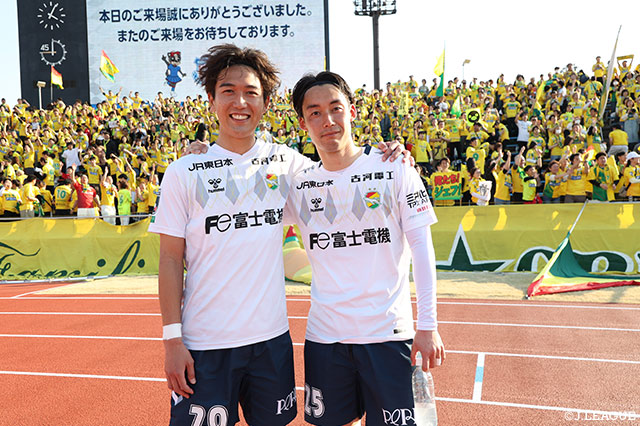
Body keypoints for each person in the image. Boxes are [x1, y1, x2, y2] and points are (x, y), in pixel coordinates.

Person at [149, 44, 409, 426]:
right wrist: (172, 339)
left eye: (251, 92)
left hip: (270, 343)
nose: (240, 102)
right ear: (211, 99)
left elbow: (338, 168)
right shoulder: (184, 172)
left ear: (265, 102)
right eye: (228, 91)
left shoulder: (287, 164)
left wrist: (389, 155)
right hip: (204, 344)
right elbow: (170, 259)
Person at [289, 71, 445, 426]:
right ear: (303, 123)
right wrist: (200, 153)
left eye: (335, 108)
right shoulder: (299, 185)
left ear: (352, 111)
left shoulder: (395, 167)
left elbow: (422, 246)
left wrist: (428, 325)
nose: (327, 121)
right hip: (325, 337)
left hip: (388, 334)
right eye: (315, 113)